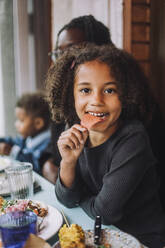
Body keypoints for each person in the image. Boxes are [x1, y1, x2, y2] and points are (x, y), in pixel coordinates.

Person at [45, 44, 165, 248]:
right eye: (85, 90)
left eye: (109, 90)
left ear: (125, 95)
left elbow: (104, 213)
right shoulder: (75, 130)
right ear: (71, 95)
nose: (97, 100)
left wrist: (79, 197)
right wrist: (68, 161)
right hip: (101, 235)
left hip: (143, 240)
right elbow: (65, 198)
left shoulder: (133, 139)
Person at [42, 14, 114, 183]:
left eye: (72, 50)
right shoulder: (65, 99)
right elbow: (52, 149)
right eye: (59, 52)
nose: (62, 59)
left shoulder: (119, 110)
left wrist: (65, 180)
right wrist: (47, 164)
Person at [0, 92, 51, 174]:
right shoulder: (29, 137)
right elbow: (13, 141)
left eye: (21, 121)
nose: (16, 124)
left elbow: (34, 163)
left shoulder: (48, 144)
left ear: (38, 123)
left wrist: (11, 151)